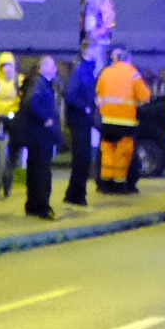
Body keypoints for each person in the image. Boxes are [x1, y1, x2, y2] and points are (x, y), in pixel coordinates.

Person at [18, 53, 68, 220]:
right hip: (41, 136)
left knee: (34, 170)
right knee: (42, 172)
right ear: (42, 68)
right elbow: (32, 102)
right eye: (51, 66)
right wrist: (46, 119)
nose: (54, 69)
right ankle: (42, 207)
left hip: (36, 135)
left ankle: (32, 205)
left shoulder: (41, 83)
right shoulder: (39, 83)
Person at [97, 47, 148, 194]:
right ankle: (119, 185)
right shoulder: (133, 73)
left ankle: (106, 183)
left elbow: (99, 93)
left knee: (108, 152)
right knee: (122, 154)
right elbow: (144, 96)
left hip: (107, 121)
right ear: (128, 59)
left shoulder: (105, 73)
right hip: (126, 122)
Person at [63, 47, 103, 209]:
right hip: (79, 119)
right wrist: (85, 107)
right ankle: (76, 196)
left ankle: (76, 195)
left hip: (83, 119)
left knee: (83, 158)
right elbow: (70, 94)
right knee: (81, 158)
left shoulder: (86, 68)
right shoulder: (80, 68)